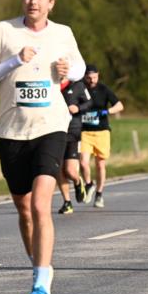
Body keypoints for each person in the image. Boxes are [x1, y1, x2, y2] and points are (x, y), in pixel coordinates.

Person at [0, 0, 86, 294]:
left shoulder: (63, 33)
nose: (33, 1)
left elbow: (79, 67)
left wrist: (70, 69)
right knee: (24, 211)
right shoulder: (3, 31)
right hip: (12, 134)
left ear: (51, 2)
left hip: (51, 128)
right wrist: (13, 61)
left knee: (40, 205)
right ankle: (40, 268)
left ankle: (41, 285)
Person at [79, 64, 123, 208]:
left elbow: (119, 105)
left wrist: (107, 112)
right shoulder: (80, 88)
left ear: (98, 75)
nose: (92, 80)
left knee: (100, 164)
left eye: (95, 77)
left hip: (102, 131)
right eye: (89, 77)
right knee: (83, 163)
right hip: (84, 131)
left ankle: (99, 194)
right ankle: (89, 184)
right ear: (84, 76)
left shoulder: (104, 89)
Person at [57, 76, 93, 214]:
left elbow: (89, 102)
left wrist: (78, 107)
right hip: (55, 131)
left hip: (73, 131)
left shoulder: (77, 85)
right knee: (58, 169)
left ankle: (78, 182)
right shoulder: (49, 84)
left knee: (70, 171)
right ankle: (67, 202)